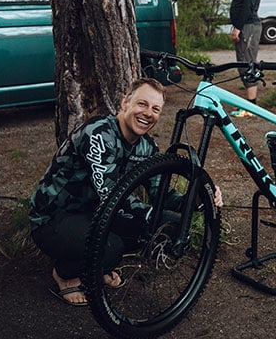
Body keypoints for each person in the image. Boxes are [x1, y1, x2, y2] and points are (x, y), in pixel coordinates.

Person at [29, 78, 221, 306]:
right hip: (53, 218)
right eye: (142, 104)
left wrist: (198, 198)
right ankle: (65, 274)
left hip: (95, 215)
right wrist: (149, 216)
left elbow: (161, 194)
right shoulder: (99, 133)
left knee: (172, 224)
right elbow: (109, 195)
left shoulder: (147, 146)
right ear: (124, 103)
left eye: (155, 109)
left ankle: (97, 266)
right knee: (112, 248)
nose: (148, 113)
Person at [229, 0, 262, 117]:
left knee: (247, 63)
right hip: (247, 26)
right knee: (245, 63)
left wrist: (238, 27)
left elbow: (248, 5)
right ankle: (250, 106)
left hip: (248, 27)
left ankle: (251, 108)